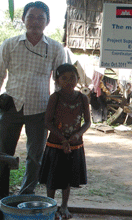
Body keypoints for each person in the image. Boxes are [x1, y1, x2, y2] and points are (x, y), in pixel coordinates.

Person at [0, 1, 66, 199]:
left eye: (41, 17)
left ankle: (26, 196)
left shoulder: (56, 48)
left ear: (47, 22)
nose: (35, 21)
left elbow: (60, 82)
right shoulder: (10, 44)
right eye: (31, 16)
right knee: (3, 153)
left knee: (35, 156)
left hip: (40, 109)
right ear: (23, 19)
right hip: (11, 105)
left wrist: (58, 110)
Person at [38, 63, 91, 219]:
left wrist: (77, 134)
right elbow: (47, 122)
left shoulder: (82, 98)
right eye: (64, 78)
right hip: (55, 143)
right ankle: (51, 207)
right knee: (52, 178)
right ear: (57, 81)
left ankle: (64, 206)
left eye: (72, 77)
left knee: (67, 177)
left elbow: (87, 122)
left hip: (75, 145)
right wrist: (62, 139)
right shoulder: (55, 97)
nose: (69, 81)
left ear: (78, 79)